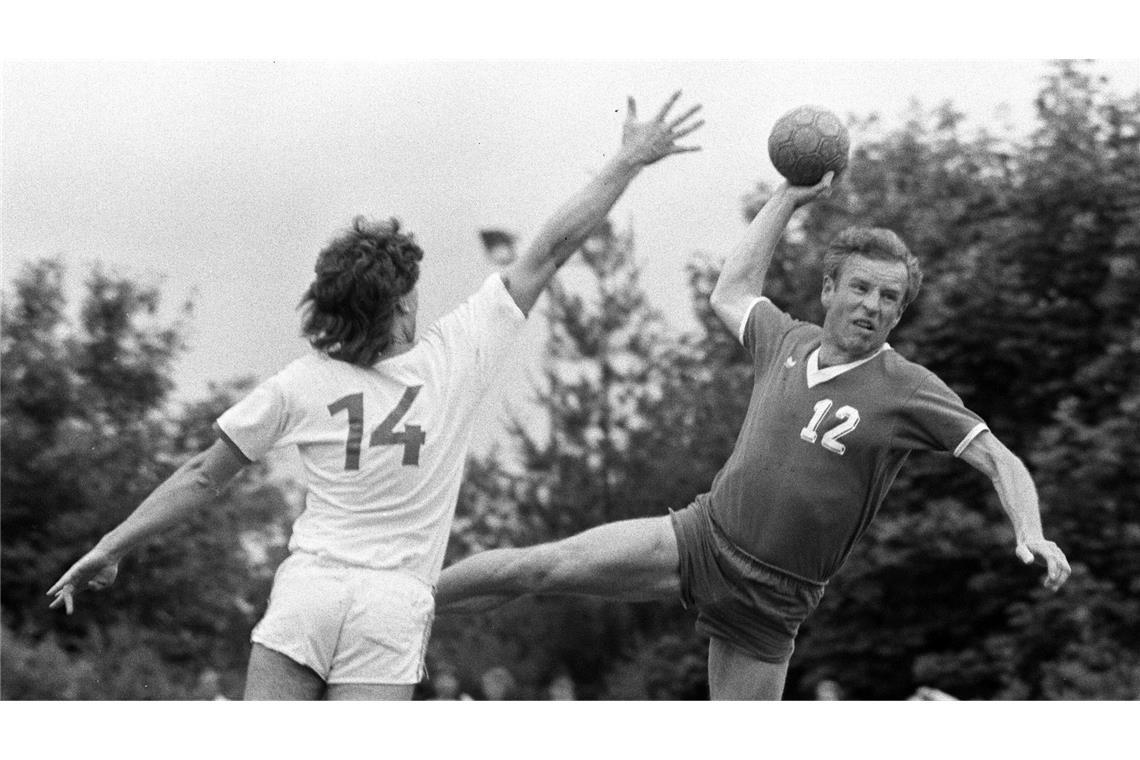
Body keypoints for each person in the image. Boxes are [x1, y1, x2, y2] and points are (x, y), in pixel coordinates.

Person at [45, 91, 704, 700]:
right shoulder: (455, 357)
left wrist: (113, 544)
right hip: (392, 609)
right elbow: (550, 250)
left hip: (309, 594)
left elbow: (200, 477)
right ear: (396, 309)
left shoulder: (300, 382)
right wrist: (628, 160)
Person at [432, 172, 1072, 700]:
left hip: (772, 600)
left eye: (890, 297)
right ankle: (410, 599)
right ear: (829, 290)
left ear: (900, 312)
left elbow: (999, 458)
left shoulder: (906, 388)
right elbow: (731, 289)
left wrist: (1030, 530)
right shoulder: (785, 339)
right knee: (543, 564)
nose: (874, 305)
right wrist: (787, 199)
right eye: (861, 287)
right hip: (701, 539)